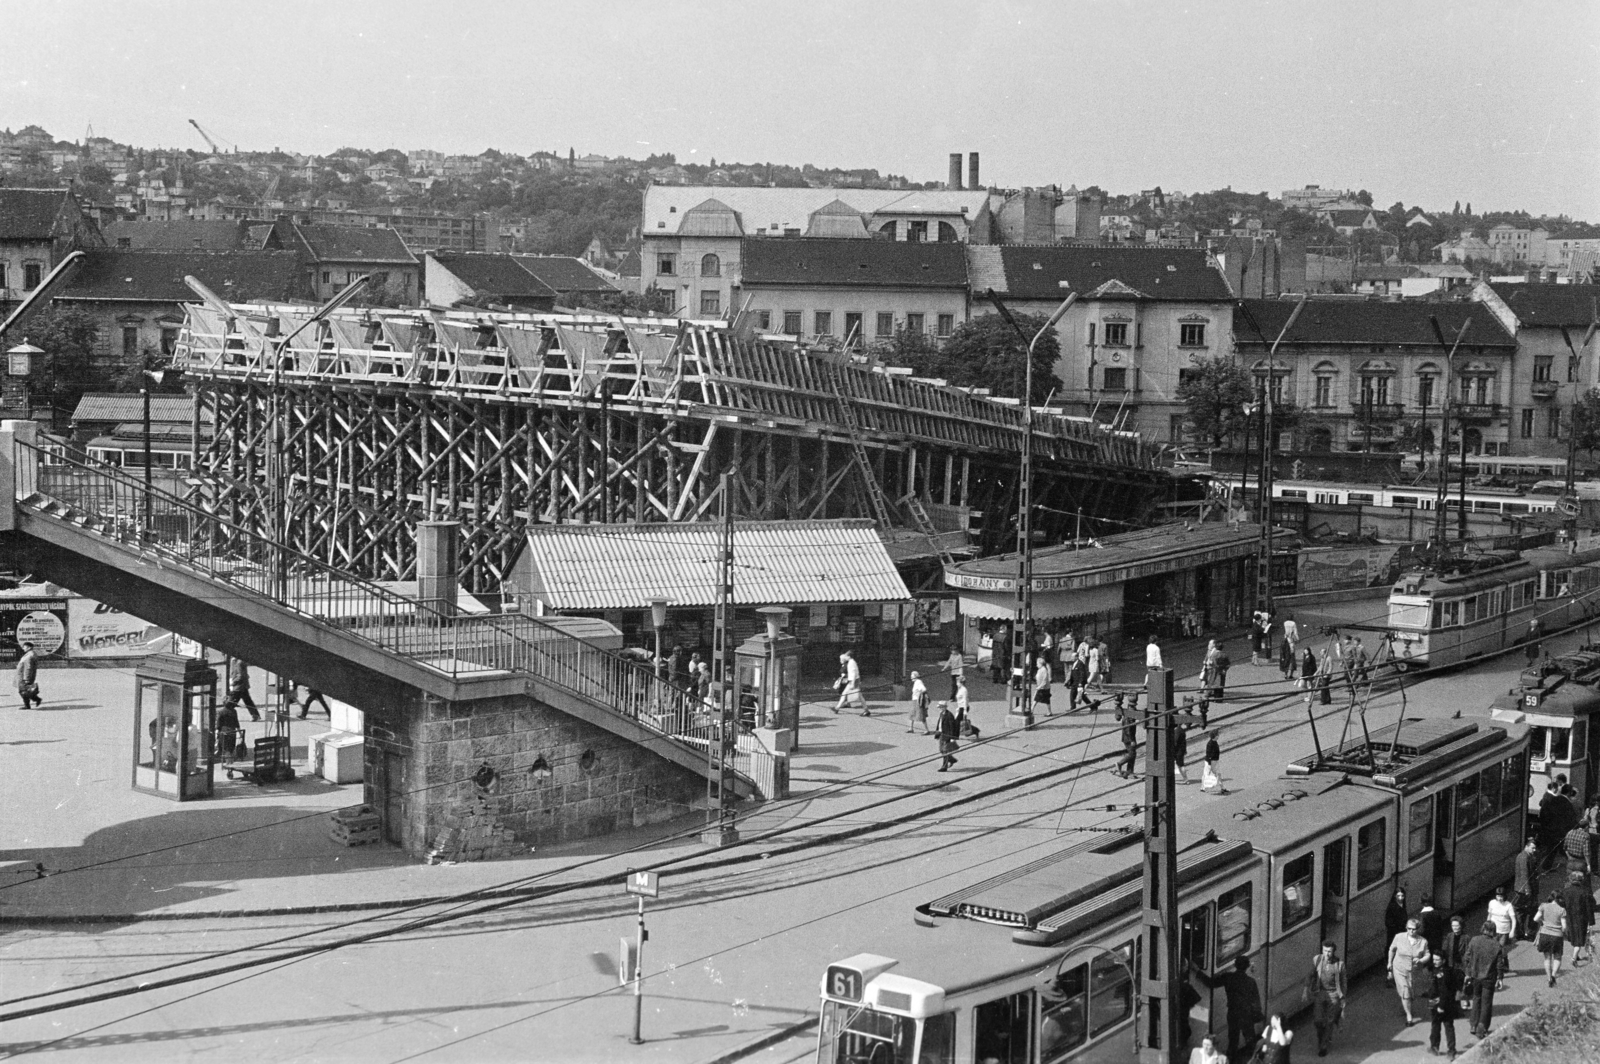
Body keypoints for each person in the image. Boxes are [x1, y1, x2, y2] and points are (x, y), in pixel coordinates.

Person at [1193, 955, 1262, 1059]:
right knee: (1250, 1041)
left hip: (1233, 1013)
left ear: (1235, 965)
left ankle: (1231, 1061)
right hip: (1246, 1014)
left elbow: (1210, 983)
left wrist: (1197, 971)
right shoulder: (1251, 982)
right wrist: (1256, 1014)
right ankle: (1252, 1060)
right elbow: (1256, 1002)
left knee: (1233, 1042)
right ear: (1247, 966)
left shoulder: (1228, 977)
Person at [1460, 921, 1509, 1038]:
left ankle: (1473, 1024)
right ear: (1493, 931)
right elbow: (1499, 964)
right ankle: (1481, 1028)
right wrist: (1500, 978)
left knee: (1476, 999)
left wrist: (1468, 973)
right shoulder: (1496, 945)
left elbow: (1466, 958)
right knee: (1486, 1003)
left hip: (1475, 976)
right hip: (1489, 978)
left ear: (1483, 929)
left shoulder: (1474, 940)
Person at [1304, 940, 1345, 1057]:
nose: (1327, 954)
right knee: (1318, 1020)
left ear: (1334, 952)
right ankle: (1322, 1038)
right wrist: (1305, 988)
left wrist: (1343, 997)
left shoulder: (1339, 964)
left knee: (1329, 1021)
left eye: (1330, 952)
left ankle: (1323, 1045)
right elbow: (1310, 974)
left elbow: (1343, 982)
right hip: (1320, 993)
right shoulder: (1317, 960)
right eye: (1325, 951)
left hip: (1333, 994)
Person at [1387, 917, 1431, 1025]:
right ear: (1406, 928)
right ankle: (1409, 1016)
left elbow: (1428, 955)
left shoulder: (1423, 941)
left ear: (1418, 929)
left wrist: (1421, 960)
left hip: (1414, 972)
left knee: (1411, 993)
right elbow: (1392, 949)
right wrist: (1389, 963)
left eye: (1414, 929)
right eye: (1409, 928)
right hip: (1399, 969)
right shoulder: (1399, 937)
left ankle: (1406, 1005)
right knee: (1405, 991)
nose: (1411, 931)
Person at [1423, 952, 1460, 1058]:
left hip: (1441, 1002)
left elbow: (1444, 991)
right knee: (1436, 1024)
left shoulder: (1443, 974)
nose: (1434, 962)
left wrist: (1441, 1006)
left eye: (1437, 960)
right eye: (1433, 959)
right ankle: (1438, 1047)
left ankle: (1448, 1050)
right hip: (1435, 1000)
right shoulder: (1441, 969)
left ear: (1443, 960)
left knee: (1446, 1025)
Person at [1534, 888, 1568, 987]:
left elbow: (1535, 918)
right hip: (1557, 936)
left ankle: (1549, 978)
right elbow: (1564, 927)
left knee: (1547, 957)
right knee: (1557, 957)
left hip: (1545, 934)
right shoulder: (1562, 910)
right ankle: (1553, 975)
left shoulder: (1543, 906)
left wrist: (1543, 922)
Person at [1562, 871, 1593, 965]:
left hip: (1570, 918)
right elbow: (1590, 906)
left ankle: (1577, 955)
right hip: (1581, 919)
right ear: (1581, 880)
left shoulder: (1565, 891)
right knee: (1579, 940)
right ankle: (1574, 958)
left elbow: (1562, 904)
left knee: (1574, 938)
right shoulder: (1585, 891)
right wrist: (1591, 921)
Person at [1513, 840, 1539, 941]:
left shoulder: (1525, 856)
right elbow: (1525, 875)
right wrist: (1528, 890)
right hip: (1526, 890)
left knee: (1521, 912)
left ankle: (1520, 933)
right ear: (1526, 847)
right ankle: (1530, 933)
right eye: (1532, 848)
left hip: (1521, 889)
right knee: (1531, 910)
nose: (1534, 850)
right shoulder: (1524, 857)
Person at [1487, 885, 1518, 949]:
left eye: (1501, 896)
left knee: (1500, 948)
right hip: (1494, 930)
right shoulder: (1492, 903)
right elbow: (1489, 915)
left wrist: (1512, 931)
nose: (1499, 898)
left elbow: (1513, 920)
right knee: (1493, 948)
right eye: (1498, 896)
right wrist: (1487, 927)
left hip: (1504, 932)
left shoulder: (1508, 905)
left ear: (1504, 896)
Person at [933, 700, 959, 772]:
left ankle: (944, 766)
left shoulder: (949, 715)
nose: (940, 709)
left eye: (941, 707)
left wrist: (952, 738)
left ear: (945, 707)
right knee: (941, 750)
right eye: (939, 707)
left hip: (947, 735)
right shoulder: (941, 713)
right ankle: (952, 759)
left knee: (945, 751)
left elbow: (952, 727)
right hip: (941, 734)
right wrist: (937, 734)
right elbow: (939, 724)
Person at [14, 640, 41, 709]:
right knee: (25, 690)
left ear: (29, 647)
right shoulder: (30, 654)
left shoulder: (29, 656)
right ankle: (34, 701)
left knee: (23, 691)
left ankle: (32, 702)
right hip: (24, 676)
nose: (23, 648)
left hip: (24, 677)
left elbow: (28, 668)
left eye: (24, 647)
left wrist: (27, 679)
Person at [1116, 701, 1139, 777]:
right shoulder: (1128, 718)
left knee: (1133, 754)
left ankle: (1130, 771)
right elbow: (1128, 730)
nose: (1135, 708)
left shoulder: (1128, 716)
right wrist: (1132, 740)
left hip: (1128, 738)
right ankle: (1119, 763)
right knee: (1132, 754)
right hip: (1128, 739)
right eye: (1133, 707)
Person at [1201, 729, 1226, 794]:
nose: (1218, 736)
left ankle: (1222, 787)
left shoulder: (1215, 742)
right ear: (1215, 736)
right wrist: (1210, 765)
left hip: (1215, 761)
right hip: (1211, 762)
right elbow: (1208, 755)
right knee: (1208, 774)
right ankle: (1204, 788)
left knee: (1218, 774)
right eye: (1217, 735)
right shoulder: (1210, 744)